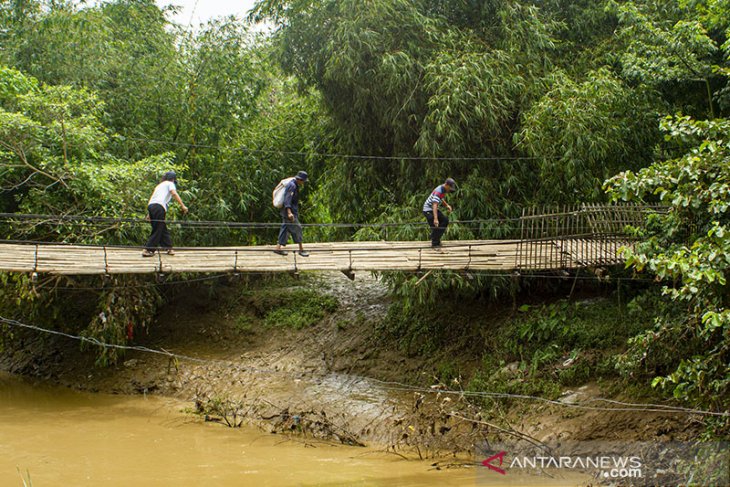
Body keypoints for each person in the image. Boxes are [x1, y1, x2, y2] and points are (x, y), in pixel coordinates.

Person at [142, 171, 188, 257]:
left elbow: (154, 198)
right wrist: (183, 206)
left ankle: (168, 248)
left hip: (152, 206)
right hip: (159, 207)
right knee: (158, 228)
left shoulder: (160, 185)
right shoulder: (170, 184)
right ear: (173, 179)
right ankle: (148, 249)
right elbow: (174, 193)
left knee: (161, 226)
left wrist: (149, 213)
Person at [274, 171, 310, 257]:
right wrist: (289, 213)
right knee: (298, 228)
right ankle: (301, 250)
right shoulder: (292, 186)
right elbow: (287, 200)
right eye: (303, 181)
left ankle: (278, 248)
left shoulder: (294, 184)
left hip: (287, 212)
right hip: (289, 213)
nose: (303, 182)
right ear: (300, 179)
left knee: (285, 229)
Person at [422, 178, 456, 248]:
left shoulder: (443, 189)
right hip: (428, 210)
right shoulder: (439, 191)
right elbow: (434, 205)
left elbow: (441, 198)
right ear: (446, 185)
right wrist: (435, 218)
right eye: (450, 188)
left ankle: (434, 237)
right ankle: (435, 243)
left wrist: (447, 205)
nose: (450, 190)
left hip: (433, 209)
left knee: (445, 220)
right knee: (435, 225)